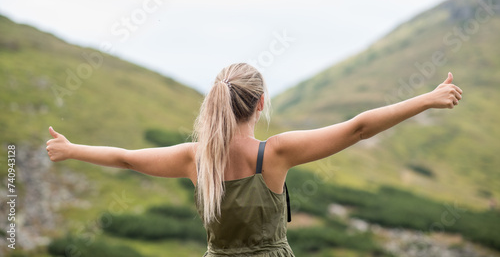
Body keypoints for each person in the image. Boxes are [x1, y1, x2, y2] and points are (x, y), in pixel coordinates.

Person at [46, 62, 463, 256]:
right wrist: (426, 99)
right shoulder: (275, 153)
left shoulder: (196, 159)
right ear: (260, 103)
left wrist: (70, 149)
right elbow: (358, 128)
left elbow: (126, 159)